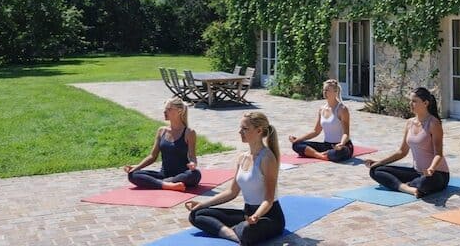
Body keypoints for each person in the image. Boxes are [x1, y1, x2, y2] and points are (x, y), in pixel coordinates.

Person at [186, 112, 285, 245]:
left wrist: (256, 216)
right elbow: (231, 192)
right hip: (247, 214)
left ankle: (235, 232)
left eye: (245, 129)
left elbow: (269, 199)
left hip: (268, 216)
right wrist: (202, 204)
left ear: (259, 130)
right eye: (240, 128)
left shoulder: (267, 158)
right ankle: (233, 234)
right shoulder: (242, 157)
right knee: (196, 214)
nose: (240, 132)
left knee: (246, 230)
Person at [364, 87, 449, 198]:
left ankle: (411, 185)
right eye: (410, 101)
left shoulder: (434, 123)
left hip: (436, 174)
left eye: (414, 101)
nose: (410, 104)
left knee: (423, 182)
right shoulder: (410, 123)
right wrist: (378, 162)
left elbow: (438, 154)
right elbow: (402, 152)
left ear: (425, 103)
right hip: (417, 172)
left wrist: (431, 168)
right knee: (375, 170)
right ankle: (408, 188)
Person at [123, 97, 201, 191]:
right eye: (165, 109)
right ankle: (167, 185)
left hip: (182, 174)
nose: (164, 112)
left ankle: (163, 183)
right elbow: (152, 156)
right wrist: (137, 167)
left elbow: (192, 156)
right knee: (132, 174)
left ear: (179, 111)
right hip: (163, 174)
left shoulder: (189, 132)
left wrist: (193, 163)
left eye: (168, 109)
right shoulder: (161, 131)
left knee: (195, 174)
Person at [288, 79, 354, 162]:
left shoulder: (342, 109)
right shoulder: (321, 109)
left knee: (338, 152)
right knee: (296, 145)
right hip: (327, 145)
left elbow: (346, 134)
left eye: (327, 90)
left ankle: (326, 154)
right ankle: (320, 155)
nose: (325, 92)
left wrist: (341, 144)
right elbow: (316, 131)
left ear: (335, 91)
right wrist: (298, 139)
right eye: (324, 90)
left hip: (342, 146)